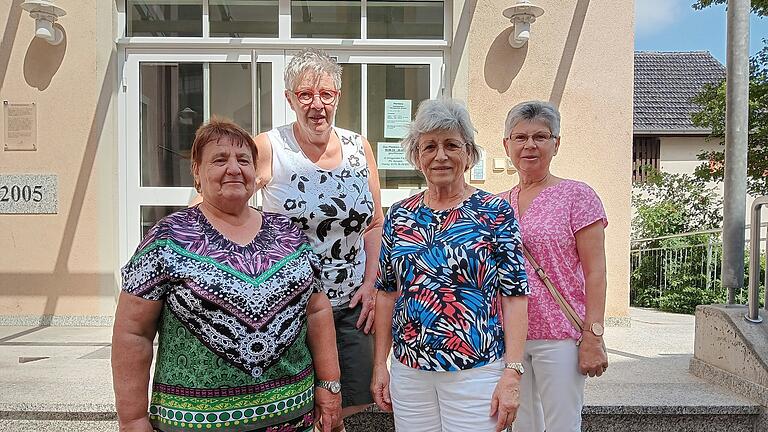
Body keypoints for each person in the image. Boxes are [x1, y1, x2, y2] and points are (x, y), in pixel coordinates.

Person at [112, 118, 341, 432]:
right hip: (194, 424)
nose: (234, 168)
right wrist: (133, 419)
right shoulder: (168, 238)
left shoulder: (288, 233)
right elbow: (132, 334)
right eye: (219, 160)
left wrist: (330, 386)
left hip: (291, 418)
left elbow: (317, 311)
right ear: (197, 172)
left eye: (243, 160)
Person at [371, 98, 529, 432]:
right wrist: (380, 366)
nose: (440, 155)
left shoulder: (494, 212)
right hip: (410, 372)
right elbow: (386, 294)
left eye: (451, 145)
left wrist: (512, 372)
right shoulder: (400, 215)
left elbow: (514, 297)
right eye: (429, 146)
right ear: (417, 156)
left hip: (476, 371)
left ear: (469, 153)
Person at [255, 48, 384, 431]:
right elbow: (224, 196)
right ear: (289, 98)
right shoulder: (270, 146)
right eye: (305, 95)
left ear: (337, 97)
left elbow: (374, 221)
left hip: (352, 303)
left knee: (351, 403)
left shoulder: (360, 147)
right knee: (296, 406)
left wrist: (372, 282)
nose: (316, 105)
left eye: (325, 94)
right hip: (290, 307)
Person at [499, 100, 609, 432]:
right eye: (519, 137)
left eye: (540, 137)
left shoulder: (578, 196)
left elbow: (596, 272)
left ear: (555, 143)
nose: (529, 145)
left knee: (562, 424)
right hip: (509, 336)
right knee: (521, 425)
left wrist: (593, 335)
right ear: (507, 145)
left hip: (560, 335)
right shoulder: (497, 203)